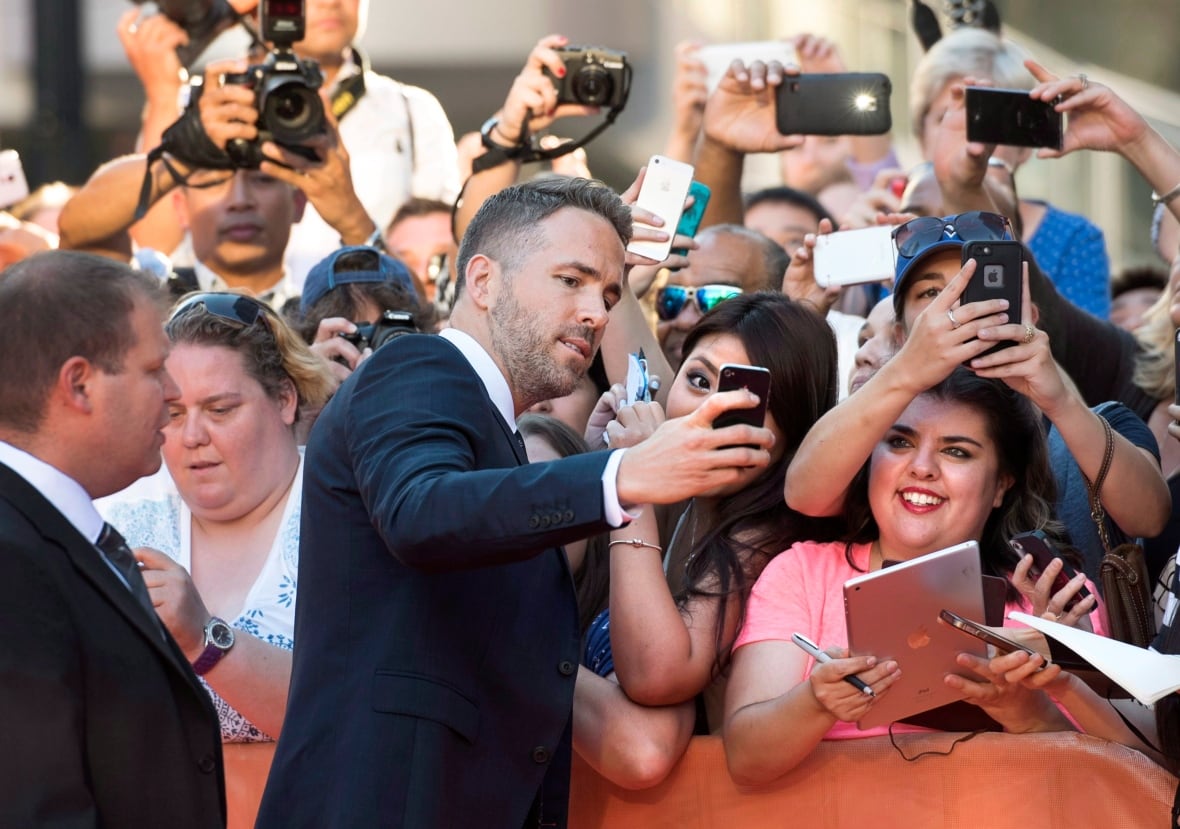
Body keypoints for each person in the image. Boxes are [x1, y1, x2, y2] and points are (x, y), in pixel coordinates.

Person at [255, 176, 779, 828]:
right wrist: (619, 476)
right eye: (572, 279)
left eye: (611, 294)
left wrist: (603, 473)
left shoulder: (493, 435)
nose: (596, 311)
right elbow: (423, 511)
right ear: (482, 280)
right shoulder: (418, 365)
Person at [724, 367, 1092, 785]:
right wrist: (817, 702)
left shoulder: (1057, 600)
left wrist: (1031, 712)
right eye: (900, 442)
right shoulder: (801, 571)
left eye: (956, 452)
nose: (922, 468)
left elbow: (1112, 777)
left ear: (1001, 486)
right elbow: (744, 758)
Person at [0, 250, 224, 826]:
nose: (174, 393)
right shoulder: (11, 560)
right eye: (154, 370)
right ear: (79, 384)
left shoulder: (43, 532)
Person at [602, 292, 843, 736]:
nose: (705, 413)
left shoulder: (766, 534)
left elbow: (658, 675)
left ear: (793, 432)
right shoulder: (686, 496)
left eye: (742, 403)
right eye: (697, 381)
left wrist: (629, 484)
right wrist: (589, 458)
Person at [97, 291, 334, 742]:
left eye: (220, 410)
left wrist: (204, 640)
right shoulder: (117, 519)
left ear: (285, 399)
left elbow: (352, 715)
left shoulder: (351, 518)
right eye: (173, 413)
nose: (191, 436)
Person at [116, 0, 459, 284]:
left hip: (361, 333)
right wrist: (164, 95)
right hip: (233, 332)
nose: (330, 3)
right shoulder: (206, 101)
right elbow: (151, 247)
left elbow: (438, 265)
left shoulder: (412, 110)